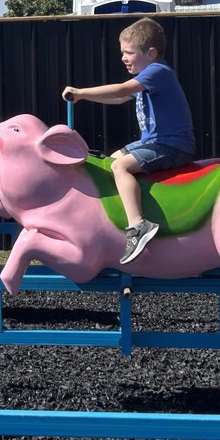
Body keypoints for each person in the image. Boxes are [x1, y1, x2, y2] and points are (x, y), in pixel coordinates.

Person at [62, 17, 195, 264]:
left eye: (129, 53)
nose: (123, 58)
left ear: (151, 53)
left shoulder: (158, 72)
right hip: (153, 142)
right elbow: (120, 98)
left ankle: (138, 225)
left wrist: (81, 92)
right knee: (109, 161)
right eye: (123, 52)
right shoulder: (148, 77)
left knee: (120, 167)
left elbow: (122, 90)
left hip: (172, 145)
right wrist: (83, 98)